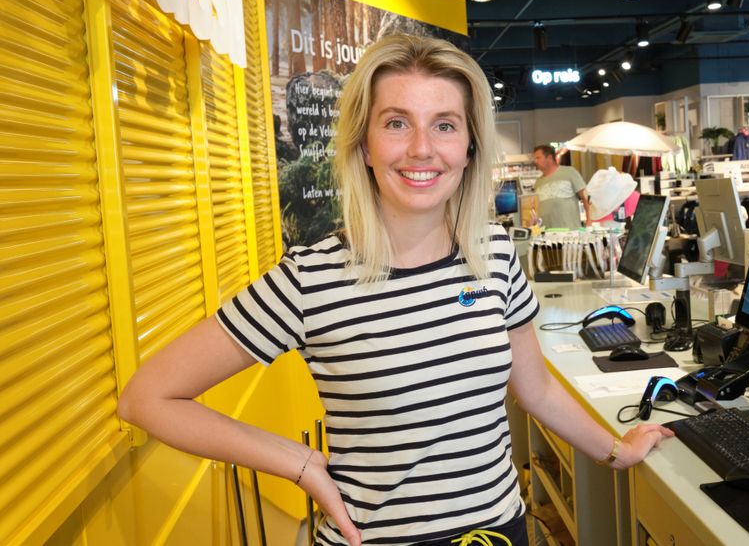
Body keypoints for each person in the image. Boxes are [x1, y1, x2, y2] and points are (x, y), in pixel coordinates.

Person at [117, 35, 673, 546]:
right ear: (363, 143)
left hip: (499, 533)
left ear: (470, 147)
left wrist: (616, 450)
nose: (423, 149)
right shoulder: (311, 278)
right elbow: (149, 397)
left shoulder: (496, 255)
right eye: (397, 123)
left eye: (445, 125)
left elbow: (538, 393)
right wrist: (302, 464)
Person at [532, 144, 592, 228]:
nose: (535, 161)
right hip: (546, 234)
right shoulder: (538, 183)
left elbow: (586, 197)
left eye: (538, 158)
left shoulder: (569, 172)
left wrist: (589, 220)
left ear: (549, 158)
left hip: (570, 233)